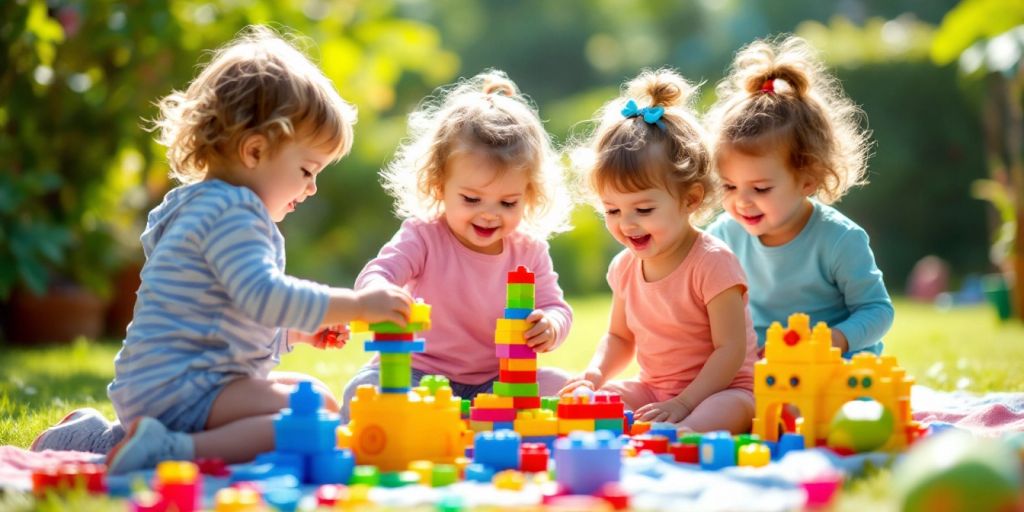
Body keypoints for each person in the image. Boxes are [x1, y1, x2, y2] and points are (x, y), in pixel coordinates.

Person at [35, 25, 413, 475]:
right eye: (308, 170)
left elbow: (223, 318)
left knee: (317, 399)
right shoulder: (233, 213)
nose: (312, 188)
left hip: (167, 385)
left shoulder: (198, 204)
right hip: (185, 388)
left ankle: (97, 436)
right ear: (255, 150)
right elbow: (265, 297)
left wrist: (296, 334)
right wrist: (357, 305)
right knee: (313, 420)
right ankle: (169, 451)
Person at [340, 70, 575, 421]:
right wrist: (380, 291)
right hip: (418, 375)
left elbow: (556, 306)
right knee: (364, 392)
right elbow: (380, 272)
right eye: (471, 198)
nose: (489, 215)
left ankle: (467, 422)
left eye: (507, 203)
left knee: (567, 388)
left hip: (500, 382)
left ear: (530, 194)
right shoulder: (423, 236)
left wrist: (551, 325)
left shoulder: (529, 250)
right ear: (439, 185)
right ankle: (439, 422)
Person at [560, 69, 759, 434]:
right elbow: (620, 338)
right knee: (594, 408)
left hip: (724, 390)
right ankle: (651, 431)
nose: (627, 223)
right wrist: (594, 375)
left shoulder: (713, 263)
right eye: (612, 210)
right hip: (654, 389)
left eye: (644, 210)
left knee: (716, 414)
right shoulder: (624, 266)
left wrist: (685, 403)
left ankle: (683, 434)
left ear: (691, 199)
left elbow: (730, 350)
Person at [704, 35, 893, 357]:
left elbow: (877, 311)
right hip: (758, 368)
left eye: (761, 188)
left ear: (808, 179)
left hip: (832, 366)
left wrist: (832, 341)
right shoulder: (721, 238)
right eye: (729, 186)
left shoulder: (839, 240)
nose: (742, 201)